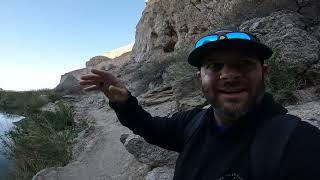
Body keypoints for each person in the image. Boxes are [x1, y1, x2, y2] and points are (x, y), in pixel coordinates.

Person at [80, 30, 320, 180]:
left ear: (263, 72)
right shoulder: (192, 122)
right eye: (215, 66)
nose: (229, 75)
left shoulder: (298, 143)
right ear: (199, 79)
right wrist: (124, 103)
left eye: (244, 64)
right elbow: (149, 127)